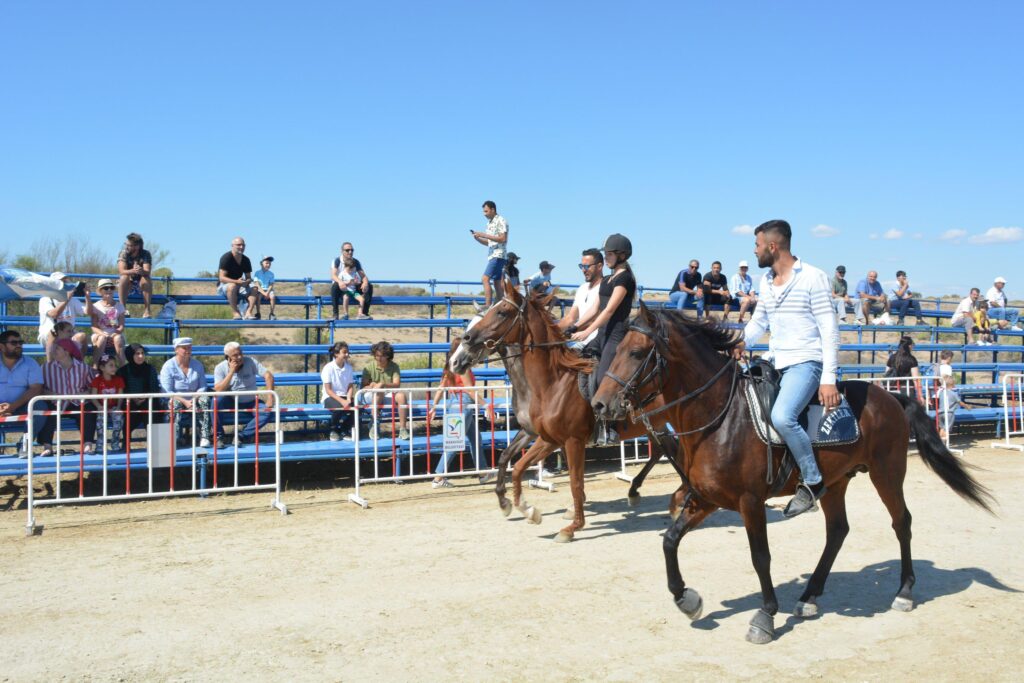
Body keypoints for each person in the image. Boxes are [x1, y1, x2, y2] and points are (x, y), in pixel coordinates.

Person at [732, 219, 839, 518]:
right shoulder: (765, 281)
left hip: (806, 361)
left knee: (782, 416)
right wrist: (739, 340)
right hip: (775, 361)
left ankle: (813, 481)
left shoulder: (814, 277)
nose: (754, 251)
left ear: (772, 245)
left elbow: (829, 330)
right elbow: (759, 323)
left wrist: (828, 379)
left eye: (756, 245)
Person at [570, 233, 636, 444]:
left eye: (609, 254)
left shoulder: (625, 278)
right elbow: (595, 309)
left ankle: (611, 426)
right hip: (602, 333)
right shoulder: (607, 279)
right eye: (605, 254)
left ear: (622, 255)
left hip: (616, 334)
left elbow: (608, 311)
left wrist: (587, 332)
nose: (606, 257)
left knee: (601, 379)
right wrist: (575, 325)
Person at [428, 340, 493, 488]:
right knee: (454, 442)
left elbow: (441, 387)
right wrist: (486, 405)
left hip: (454, 402)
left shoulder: (450, 366)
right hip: (463, 404)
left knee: (475, 438)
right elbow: (469, 390)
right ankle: (438, 478)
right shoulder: (462, 367)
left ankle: (483, 473)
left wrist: (434, 406)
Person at [38, 338, 95, 456]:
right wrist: (49, 394)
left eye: (57, 348)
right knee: (48, 412)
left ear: (67, 351)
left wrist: (84, 394)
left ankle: (87, 445)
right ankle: (47, 446)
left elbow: (92, 386)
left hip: (77, 402)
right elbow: (39, 387)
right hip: (55, 402)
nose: (53, 351)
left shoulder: (83, 367)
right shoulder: (45, 368)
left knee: (88, 411)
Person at [213, 342, 276, 444]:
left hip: (251, 402)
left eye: (240, 353)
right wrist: (231, 372)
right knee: (215, 401)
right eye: (235, 355)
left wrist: (270, 398)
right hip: (231, 401)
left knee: (267, 412)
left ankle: (241, 436)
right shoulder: (220, 367)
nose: (239, 357)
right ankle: (219, 436)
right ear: (227, 357)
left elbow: (268, 376)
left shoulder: (250, 361)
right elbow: (218, 389)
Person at [159, 337, 213, 447]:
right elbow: (167, 391)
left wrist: (194, 399)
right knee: (174, 404)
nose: (188, 350)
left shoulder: (197, 365)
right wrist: (185, 402)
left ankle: (205, 436)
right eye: (184, 348)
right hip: (176, 398)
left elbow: (203, 386)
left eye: (189, 347)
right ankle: (174, 437)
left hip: (195, 397)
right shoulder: (168, 366)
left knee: (205, 400)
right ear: (176, 350)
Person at [0, 331, 46, 450]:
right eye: (13, 343)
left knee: (40, 407)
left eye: (20, 342)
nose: (18, 345)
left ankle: (24, 446)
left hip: (21, 406)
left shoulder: (30, 363)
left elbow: (36, 389)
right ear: (1, 346)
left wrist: (13, 406)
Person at [117, 343, 166, 448]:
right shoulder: (123, 371)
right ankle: (126, 443)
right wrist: (134, 398)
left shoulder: (150, 369)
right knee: (129, 407)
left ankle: (155, 445)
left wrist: (144, 398)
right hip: (129, 401)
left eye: (142, 353)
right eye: (137, 354)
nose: (140, 356)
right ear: (130, 355)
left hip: (148, 400)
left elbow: (154, 389)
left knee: (150, 407)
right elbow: (121, 390)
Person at [557, 248, 604, 352]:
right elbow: (570, 318)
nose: (583, 270)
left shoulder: (605, 287)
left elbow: (593, 319)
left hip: (592, 342)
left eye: (587, 266)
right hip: (577, 339)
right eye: (581, 266)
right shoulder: (582, 288)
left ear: (600, 266)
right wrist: (552, 330)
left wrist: (570, 331)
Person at [361, 340, 409, 440]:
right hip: (371, 395)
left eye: (381, 356)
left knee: (402, 396)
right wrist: (373, 386)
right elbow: (364, 386)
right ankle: (374, 424)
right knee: (379, 392)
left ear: (387, 355)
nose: (378, 358)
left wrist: (382, 384)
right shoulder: (369, 367)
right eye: (376, 355)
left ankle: (403, 429)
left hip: (387, 393)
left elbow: (397, 384)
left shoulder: (394, 366)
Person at [38, 272, 91, 361]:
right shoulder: (45, 299)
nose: (64, 284)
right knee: (54, 333)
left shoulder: (72, 300)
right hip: (50, 336)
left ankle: (77, 365)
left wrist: (87, 297)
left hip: (68, 333)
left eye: (65, 282)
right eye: (61, 282)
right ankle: (51, 366)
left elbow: (88, 312)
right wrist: (66, 299)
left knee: (82, 336)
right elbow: (54, 314)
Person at [470, 200, 509, 309]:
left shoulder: (501, 220)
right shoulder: (489, 224)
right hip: (492, 255)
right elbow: (489, 242)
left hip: (498, 255)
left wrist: (484, 234)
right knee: (496, 282)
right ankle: (501, 306)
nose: (484, 214)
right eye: (483, 212)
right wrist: (478, 239)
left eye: (486, 211)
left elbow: (503, 238)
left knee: (485, 279)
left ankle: (487, 305)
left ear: (493, 210)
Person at [87, 354, 126, 452]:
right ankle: (100, 444)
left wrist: (118, 406)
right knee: (100, 421)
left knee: (118, 418)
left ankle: (115, 442)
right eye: (111, 365)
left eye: (115, 365)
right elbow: (93, 396)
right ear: (102, 368)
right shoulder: (97, 380)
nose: (114, 368)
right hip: (101, 407)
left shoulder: (119, 380)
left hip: (113, 406)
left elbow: (120, 396)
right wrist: (99, 406)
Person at [321, 341, 355, 441]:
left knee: (358, 407)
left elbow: (350, 386)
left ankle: (345, 429)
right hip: (330, 397)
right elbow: (328, 390)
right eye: (344, 352)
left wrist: (348, 398)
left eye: (347, 352)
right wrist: (343, 401)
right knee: (339, 407)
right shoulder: (328, 368)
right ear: (336, 354)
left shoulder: (349, 368)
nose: (347, 354)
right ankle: (333, 430)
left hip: (344, 397)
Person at [330, 242, 374, 320]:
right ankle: (335, 314)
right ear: (342, 251)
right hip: (341, 288)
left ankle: (363, 313)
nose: (350, 252)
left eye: (352, 250)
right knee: (335, 285)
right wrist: (341, 282)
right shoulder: (337, 261)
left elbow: (363, 276)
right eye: (347, 250)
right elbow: (333, 275)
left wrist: (365, 283)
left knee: (369, 286)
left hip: (352, 287)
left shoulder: (356, 262)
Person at [217, 236, 257, 320]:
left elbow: (249, 277)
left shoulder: (246, 260)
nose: (241, 247)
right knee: (232, 286)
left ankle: (248, 312)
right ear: (232, 246)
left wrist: (246, 282)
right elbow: (222, 278)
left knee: (254, 288)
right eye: (238, 245)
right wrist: (237, 282)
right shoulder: (226, 258)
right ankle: (236, 313)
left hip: (239, 285)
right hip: (224, 286)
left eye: (243, 245)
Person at [117, 232, 153, 318]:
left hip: (141, 285)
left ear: (137, 246)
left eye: (129, 245)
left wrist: (141, 271)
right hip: (128, 284)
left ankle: (147, 311)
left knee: (146, 279)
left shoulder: (145, 254)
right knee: (124, 278)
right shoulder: (123, 253)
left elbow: (147, 271)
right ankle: (123, 309)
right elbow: (121, 271)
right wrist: (133, 271)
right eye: (126, 244)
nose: (126, 247)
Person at [90, 278, 127, 364]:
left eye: (111, 288)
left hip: (115, 335)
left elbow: (121, 326)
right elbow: (94, 327)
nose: (109, 290)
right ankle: (95, 368)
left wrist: (116, 332)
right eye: (106, 288)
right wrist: (103, 334)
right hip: (100, 334)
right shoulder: (95, 306)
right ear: (100, 291)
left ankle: (123, 368)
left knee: (118, 339)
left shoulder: (119, 306)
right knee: (102, 339)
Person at [885, 336, 923, 401]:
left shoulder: (892, 357)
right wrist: (920, 395)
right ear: (909, 346)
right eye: (913, 345)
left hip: (892, 389)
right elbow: (915, 378)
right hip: (907, 389)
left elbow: (887, 373)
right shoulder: (911, 359)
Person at [331, 253, 366, 320]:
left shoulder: (354, 274)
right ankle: (346, 314)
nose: (351, 271)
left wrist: (356, 282)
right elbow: (340, 283)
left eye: (352, 269)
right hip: (346, 291)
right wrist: (348, 283)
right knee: (346, 297)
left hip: (353, 291)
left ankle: (360, 313)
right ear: (345, 267)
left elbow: (358, 281)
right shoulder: (342, 274)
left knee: (362, 299)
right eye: (349, 269)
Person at [936, 375, 970, 442]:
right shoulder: (953, 394)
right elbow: (960, 403)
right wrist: (967, 406)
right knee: (946, 429)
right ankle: (944, 444)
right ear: (952, 384)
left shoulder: (941, 392)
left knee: (942, 428)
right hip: (949, 413)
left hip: (940, 412)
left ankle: (939, 442)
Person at [252, 256, 278, 320]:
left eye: (269, 263)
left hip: (268, 290)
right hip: (260, 290)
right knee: (258, 297)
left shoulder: (271, 274)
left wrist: (267, 292)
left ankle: (271, 313)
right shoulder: (257, 273)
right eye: (266, 263)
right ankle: (258, 313)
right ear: (261, 263)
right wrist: (264, 293)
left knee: (272, 297)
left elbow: (271, 284)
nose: (268, 265)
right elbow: (257, 284)